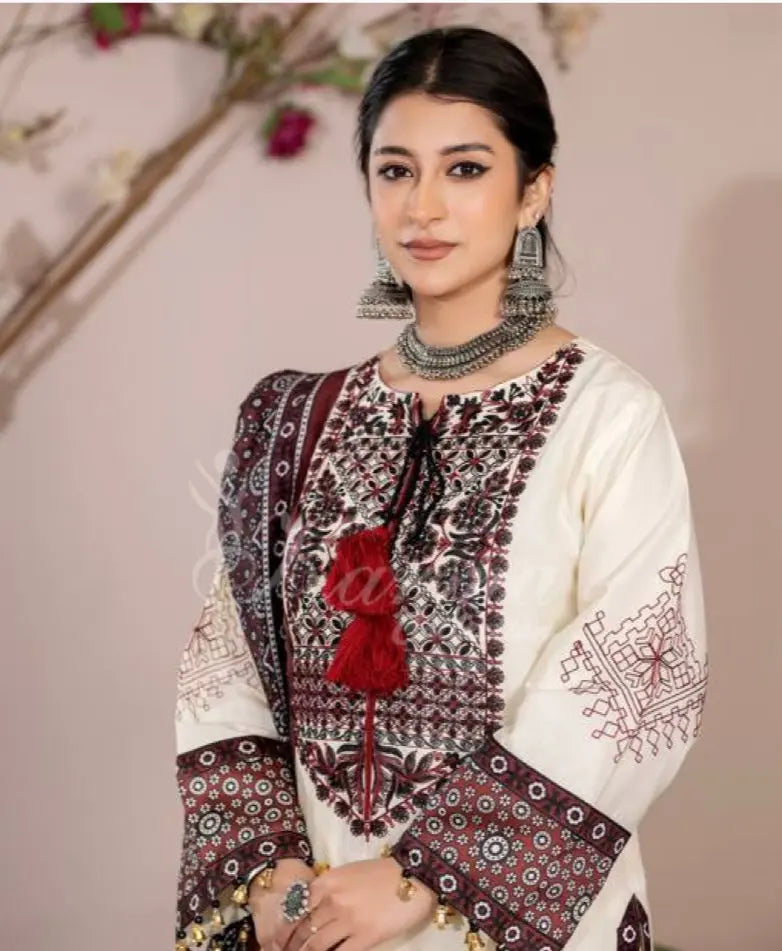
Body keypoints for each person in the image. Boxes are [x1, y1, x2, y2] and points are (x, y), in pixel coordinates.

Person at [173, 25, 708, 951]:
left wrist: (421, 879)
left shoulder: (608, 418)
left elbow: (634, 684)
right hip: (316, 918)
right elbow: (228, 666)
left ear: (533, 190)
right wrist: (274, 872)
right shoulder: (293, 421)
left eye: (464, 169)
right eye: (395, 171)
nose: (423, 207)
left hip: (505, 925)